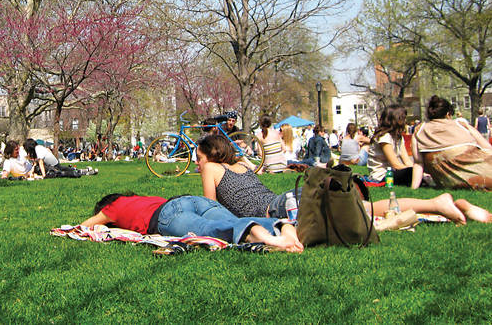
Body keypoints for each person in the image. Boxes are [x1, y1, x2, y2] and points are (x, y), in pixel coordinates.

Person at [197, 134, 492, 224]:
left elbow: (210, 210)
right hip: (288, 198)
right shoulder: (242, 167)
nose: (197, 165)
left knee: (363, 215)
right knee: (367, 210)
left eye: (198, 158)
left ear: (209, 155)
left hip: (279, 211)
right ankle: (438, 206)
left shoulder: (211, 169)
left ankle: (439, 207)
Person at [79, 191, 303, 253]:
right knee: (233, 219)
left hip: (167, 216)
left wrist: (102, 223)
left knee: (209, 231)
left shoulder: (112, 208)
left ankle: (262, 237)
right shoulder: (139, 199)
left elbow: (85, 226)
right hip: (191, 200)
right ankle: (283, 226)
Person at [411, 95, 492, 190]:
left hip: (450, 183)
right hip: (485, 176)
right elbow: (488, 148)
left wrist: (413, 188)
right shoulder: (460, 125)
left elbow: (418, 163)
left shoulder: (419, 131)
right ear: (448, 114)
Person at [367, 105, 414, 186]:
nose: (405, 121)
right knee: (412, 173)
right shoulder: (384, 137)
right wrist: (413, 172)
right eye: (404, 118)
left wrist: (419, 171)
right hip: (381, 176)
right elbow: (395, 164)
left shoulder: (398, 137)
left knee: (417, 171)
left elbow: (407, 161)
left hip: (393, 172)